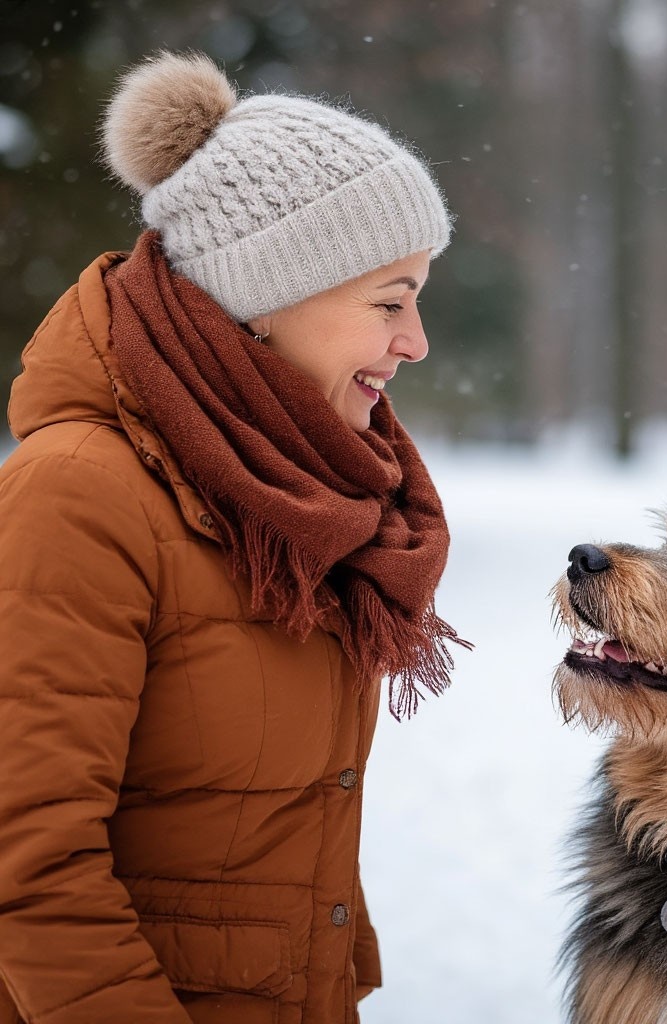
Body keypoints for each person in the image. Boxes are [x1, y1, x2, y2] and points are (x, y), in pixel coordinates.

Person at [0, 50, 466, 1024]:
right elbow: (29, 867)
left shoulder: (293, 493)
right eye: (390, 300)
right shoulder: (80, 496)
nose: (415, 340)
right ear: (267, 294)